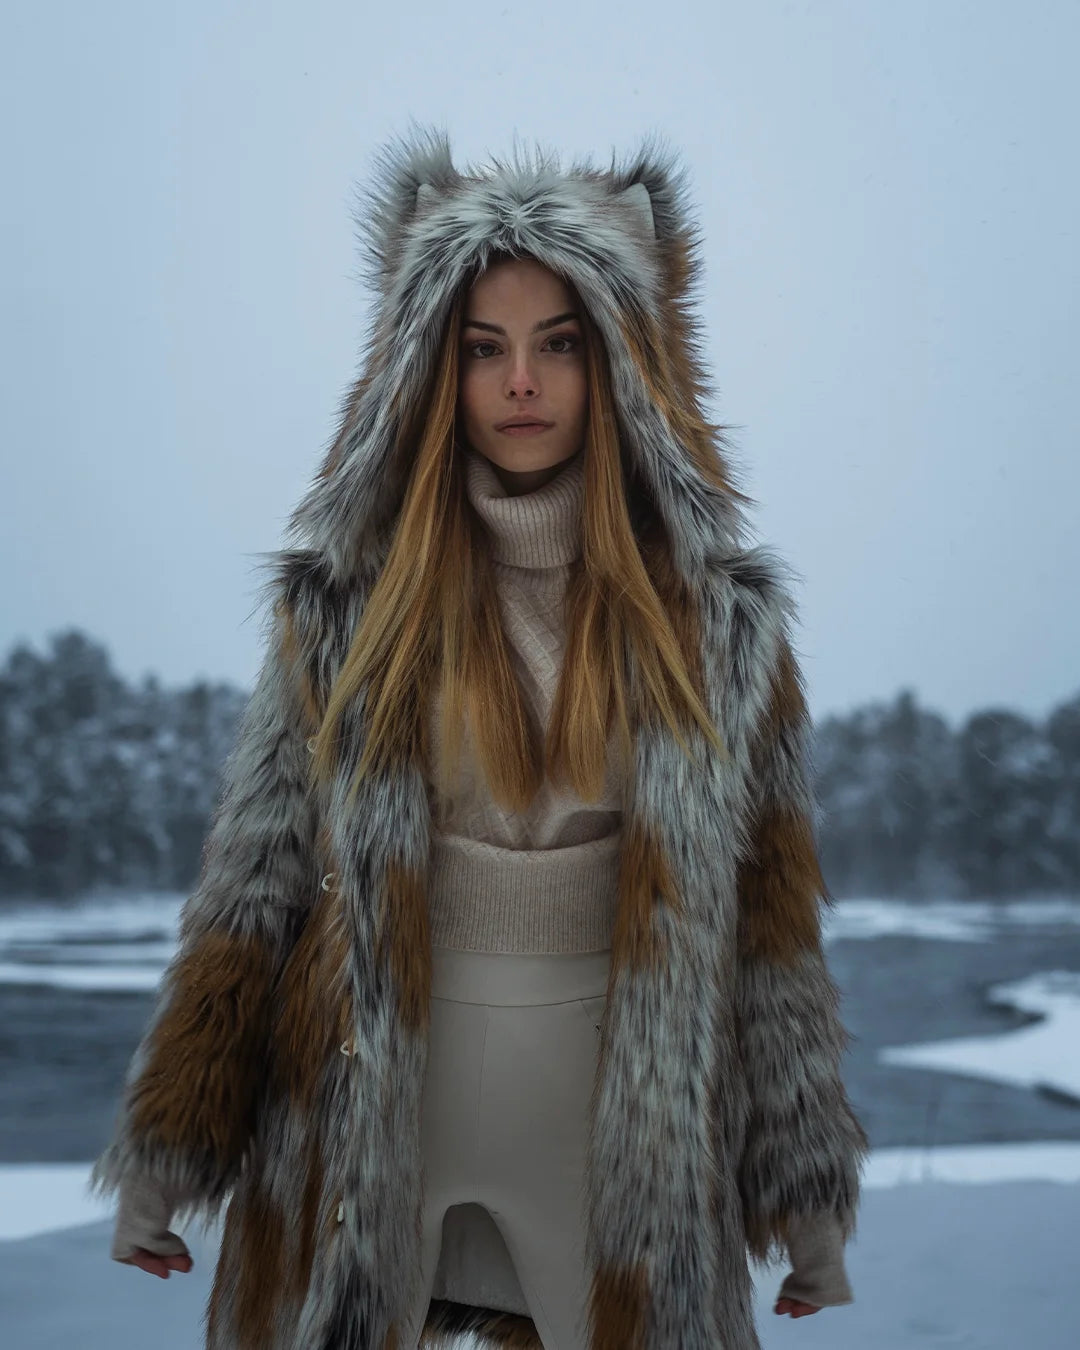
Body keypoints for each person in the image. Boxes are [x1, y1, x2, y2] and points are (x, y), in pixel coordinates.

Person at [89, 127, 871, 1350]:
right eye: (483, 349)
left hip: (613, 1147)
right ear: (426, 373)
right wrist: (170, 1149)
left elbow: (771, 934)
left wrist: (804, 1195)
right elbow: (253, 898)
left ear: (622, 366)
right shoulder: (347, 616)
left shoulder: (717, 632)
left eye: (560, 345)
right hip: (373, 1123)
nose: (522, 382)